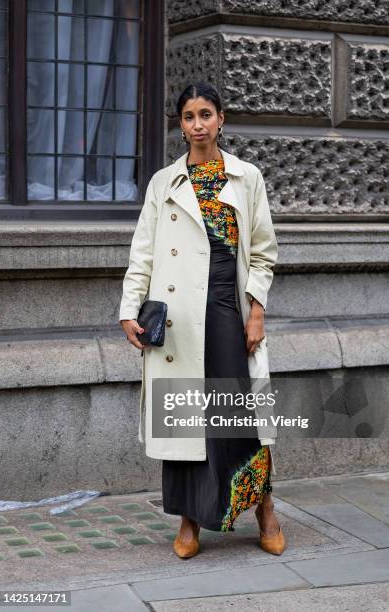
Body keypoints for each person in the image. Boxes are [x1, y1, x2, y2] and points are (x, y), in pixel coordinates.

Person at [119, 81, 285, 558]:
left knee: (241, 418)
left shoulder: (246, 177)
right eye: (189, 116)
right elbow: (143, 255)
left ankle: (265, 511)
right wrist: (129, 310)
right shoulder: (163, 183)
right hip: (177, 319)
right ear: (181, 124)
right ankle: (190, 523)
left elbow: (263, 253)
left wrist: (257, 312)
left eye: (206, 115)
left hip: (227, 309)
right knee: (184, 417)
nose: (198, 125)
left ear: (221, 119)